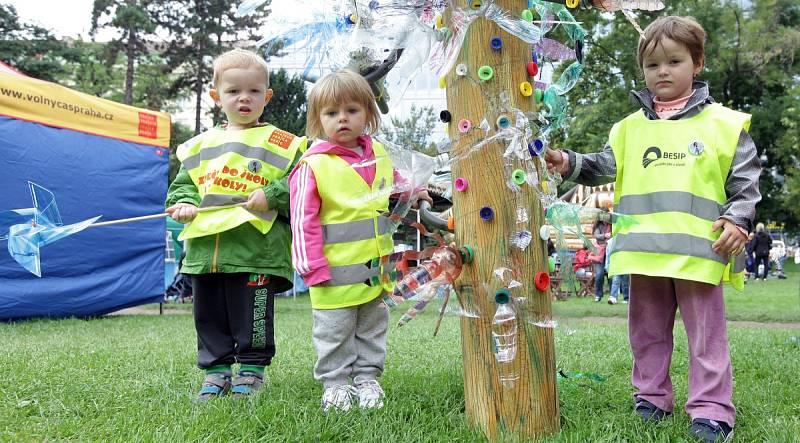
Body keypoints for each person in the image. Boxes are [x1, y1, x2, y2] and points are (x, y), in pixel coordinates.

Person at [545, 16, 761, 443]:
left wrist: (739, 220)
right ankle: (651, 398)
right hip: (644, 253)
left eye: (674, 61)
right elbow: (603, 165)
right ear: (642, 70)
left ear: (697, 63)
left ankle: (713, 411)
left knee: (706, 338)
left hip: (701, 253)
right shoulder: (628, 128)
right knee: (646, 334)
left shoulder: (724, 123)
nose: (663, 71)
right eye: (652, 65)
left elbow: (746, 183)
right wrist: (568, 162)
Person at [165, 49, 307, 400]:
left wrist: (273, 194)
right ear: (216, 97)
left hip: (254, 252)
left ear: (267, 96)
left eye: (254, 91)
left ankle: (251, 372)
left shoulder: (283, 143)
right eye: (233, 91)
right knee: (209, 316)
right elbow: (183, 185)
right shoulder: (199, 146)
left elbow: (302, 183)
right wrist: (181, 202)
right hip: (206, 252)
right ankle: (216, 373)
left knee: (253, 315)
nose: (244, 98)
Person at [289, 70, 429, 412]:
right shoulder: (313, 166)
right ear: (318, 119)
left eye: (351, 110)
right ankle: (336, 384)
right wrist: (311, 268)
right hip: (332, 274)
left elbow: (394, 182)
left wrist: (417, 189)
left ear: (368, 113)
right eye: (331, 113)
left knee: (371, 329)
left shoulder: (378, 153)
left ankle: (367, 378)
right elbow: (301, 221)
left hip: (377, 270)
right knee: (334, 333)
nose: (342, 119)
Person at [588, 220, 609, 302]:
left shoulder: (611, 225)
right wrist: (605, 235)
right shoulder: (598, 226)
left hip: (609, 252)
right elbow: (597, 236)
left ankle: (612, 296)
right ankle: (598, 294)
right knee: (599, 274)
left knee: (611, 275)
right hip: (600, 254)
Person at [606, 235, 630, 304]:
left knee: (625, 283)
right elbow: (608, 255)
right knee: (615, 281)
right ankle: (613, 297)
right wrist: (607, 266)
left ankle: (626, 298)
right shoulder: (611, 242)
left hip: (625, 265)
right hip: (617, 265)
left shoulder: (626, 241)